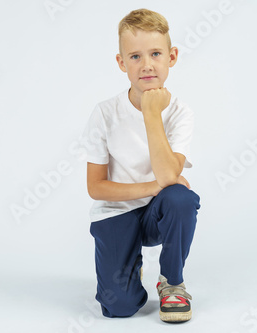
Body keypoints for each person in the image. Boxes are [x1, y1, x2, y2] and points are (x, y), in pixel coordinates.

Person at [81, 8, 201, 323]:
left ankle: (171, 281)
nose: (146, 64)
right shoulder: (105, 113)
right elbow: (96, 187)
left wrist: (151, 112)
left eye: (156, 54)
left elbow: (168, 176)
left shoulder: (180, 113)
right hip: (116, 211)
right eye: (135, 57)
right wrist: (156, 185)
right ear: (121, 63)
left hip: (157, 213)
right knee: (117, 308)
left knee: (181, 198)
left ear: (171, 57)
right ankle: (129, 265)